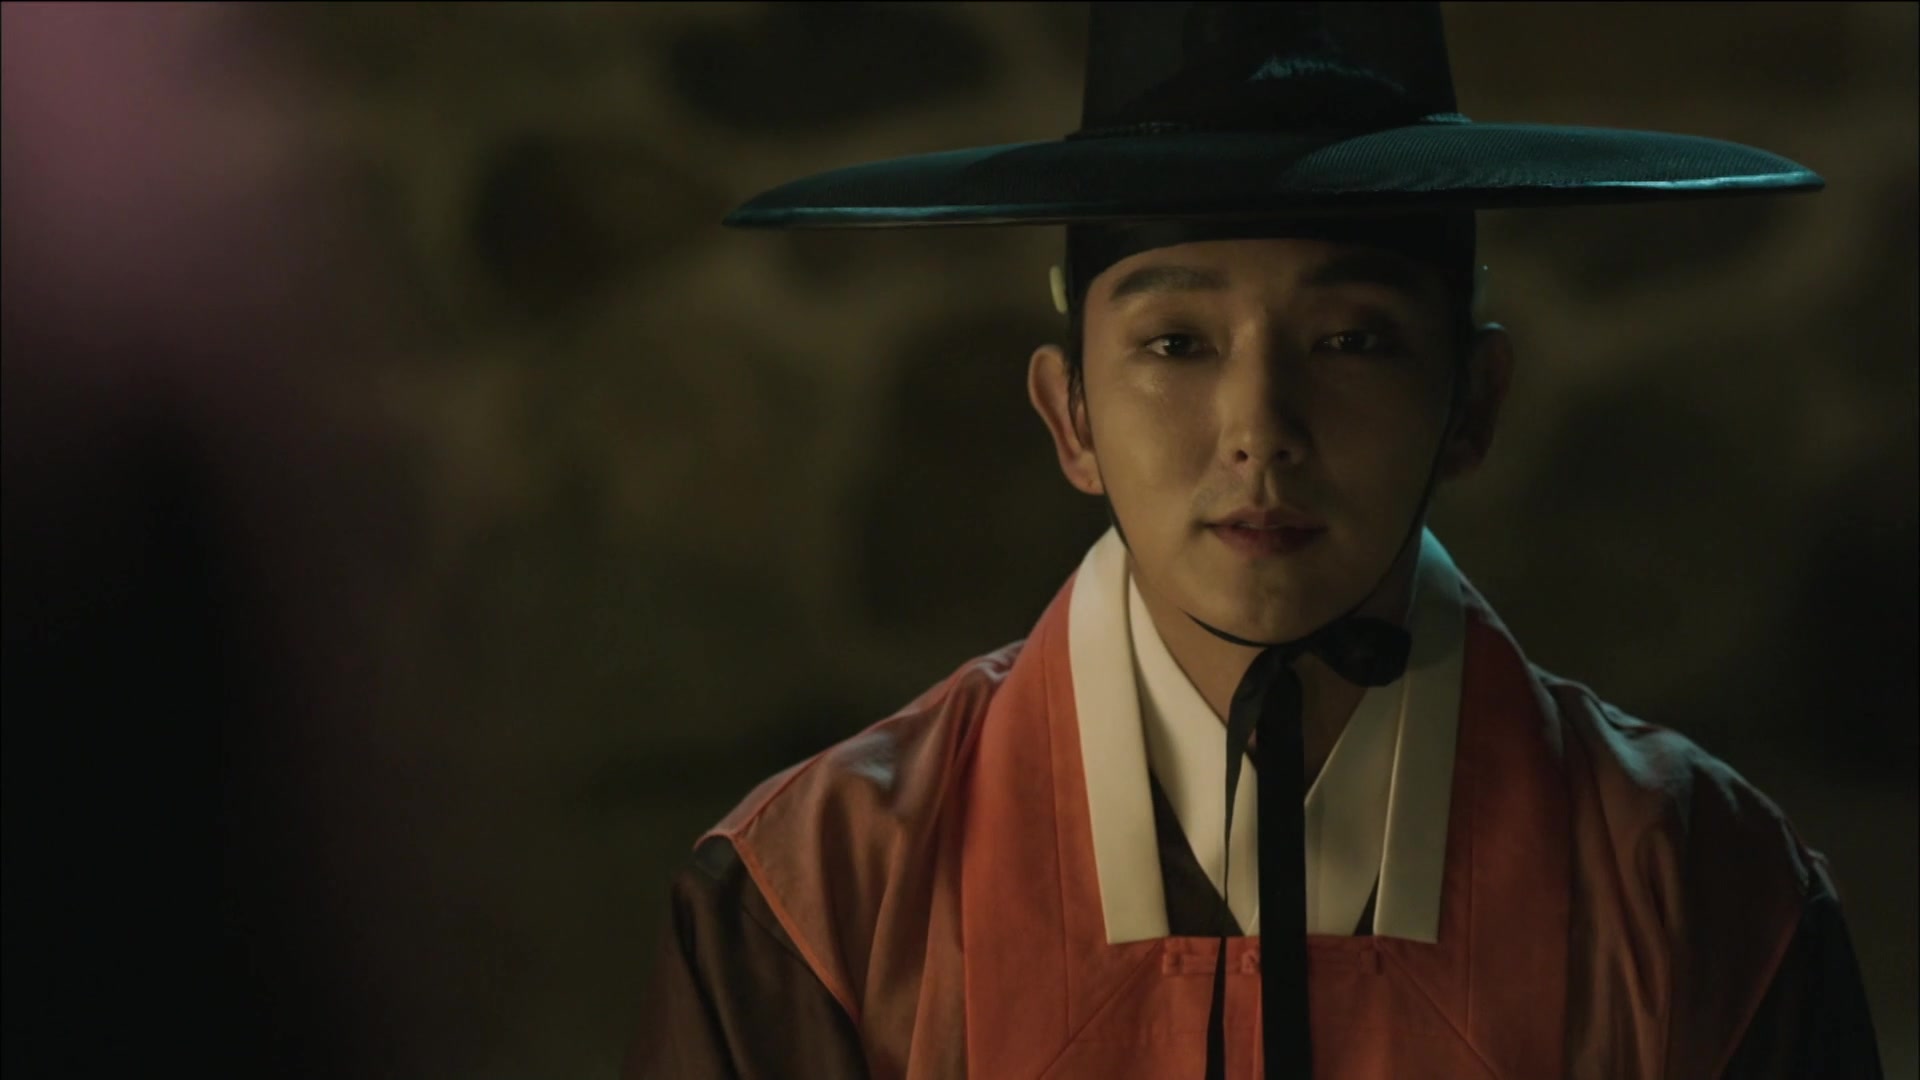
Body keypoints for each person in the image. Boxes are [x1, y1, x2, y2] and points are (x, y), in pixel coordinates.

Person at [625, 4, 1884, 1077]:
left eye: (1351, 340)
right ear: (1071, 414)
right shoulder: (821, 901)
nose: (1261, 432)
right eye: (1176, 343)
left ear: (1473, 403)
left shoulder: (1698, 889)